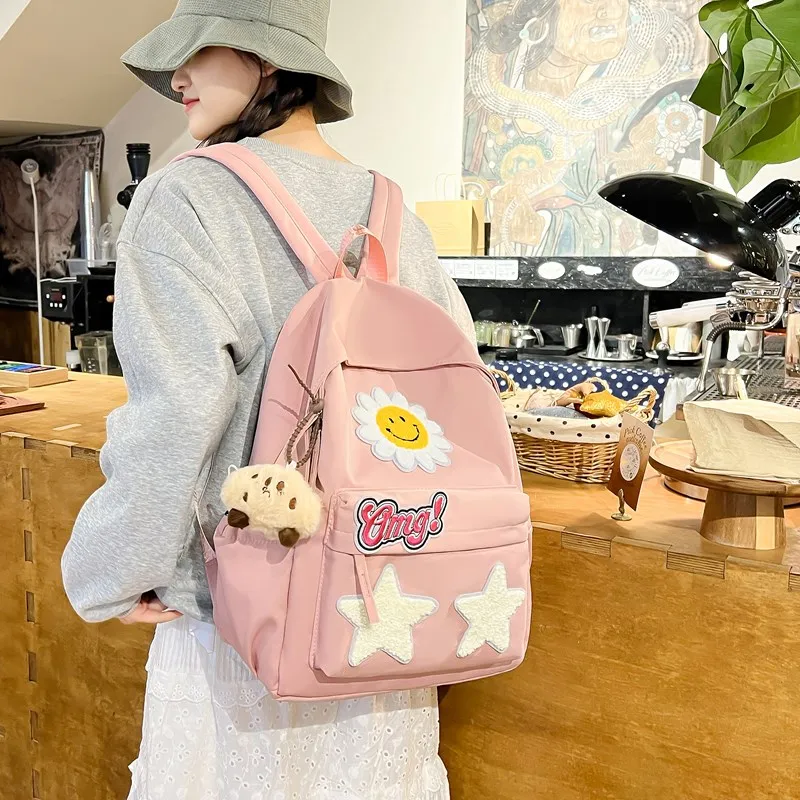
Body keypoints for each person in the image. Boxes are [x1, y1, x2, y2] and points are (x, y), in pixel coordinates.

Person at [61, 1, 473, 797]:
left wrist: (110, 571)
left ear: (271, 56)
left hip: (242, 618)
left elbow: (176, 412)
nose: (177, 75)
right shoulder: (395, 212)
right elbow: (454, 395)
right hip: (382, 610)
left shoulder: (187, 197)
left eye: (200, 48)